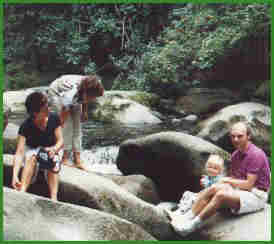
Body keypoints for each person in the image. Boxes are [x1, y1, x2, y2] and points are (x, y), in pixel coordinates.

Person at [171, 121, 271, 237]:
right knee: (214, 188)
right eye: (233, 136)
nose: (236, 139)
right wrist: (215, 181)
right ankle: (186, 216)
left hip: (257, 195)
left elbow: (248, 184)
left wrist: (226, 181)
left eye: (240, 136)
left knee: (220, 195)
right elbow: (235, 178)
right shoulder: (235, 155)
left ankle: (192, 225)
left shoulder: (256, 155)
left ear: (248, 136)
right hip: (243, 191)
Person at [12, 92, 64, 201]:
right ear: (35, 113)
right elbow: (20, 152)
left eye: (48, 106)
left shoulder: (54, 118)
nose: (49, 109)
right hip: (34, 150)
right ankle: (22, 192)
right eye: (45, 109)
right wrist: (15, 175)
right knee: (31, 158)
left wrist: (54, 149)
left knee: (53, 160)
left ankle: (54, 198)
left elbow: (60, 141)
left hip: (52, 148)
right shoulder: (26, 126)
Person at [47, 74, 104, 171]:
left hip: (77, 94)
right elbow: (64, 115)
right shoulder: (70, 94)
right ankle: (64, 159)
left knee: (77, 127)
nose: (93, 99)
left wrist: (85, 112)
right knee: (68, 127)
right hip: (57, 92)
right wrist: (59, 126)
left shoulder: (93, 85)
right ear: (87, 93)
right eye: (92, 97)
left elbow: (86, 98)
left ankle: (77, 160)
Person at [168, 154, 225, 218]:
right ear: (206, 167)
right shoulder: (209, 177)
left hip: (209, 198)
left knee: (193, 199)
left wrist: (206, 184)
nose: (211, 170)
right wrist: (203, 183)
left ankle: (181, 212)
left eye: (215, 168)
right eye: (209, 167)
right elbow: (205, 187)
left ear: (220, 170)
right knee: (187, 194)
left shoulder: (219, 179)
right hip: (204, 195)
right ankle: (180, 208)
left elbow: (213, 189)